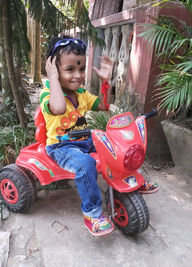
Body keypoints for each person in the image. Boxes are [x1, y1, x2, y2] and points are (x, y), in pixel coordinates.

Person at [40, 35, 159, 237]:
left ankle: (133, 179)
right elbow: (59, 108)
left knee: (119, 146)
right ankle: (93, 213)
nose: (78, 75)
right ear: (53, 68)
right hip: (61, 147)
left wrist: (105, 81)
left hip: (85, 140)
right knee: (85, 164)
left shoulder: (81, 94)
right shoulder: (48, 95)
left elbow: (103, 106)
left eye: (81, 69)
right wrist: (51, 78)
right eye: (70, 69)